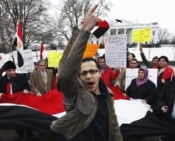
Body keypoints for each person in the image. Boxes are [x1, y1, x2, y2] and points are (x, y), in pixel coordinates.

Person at [50, 5, 123, 141]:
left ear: (99, 73)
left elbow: (113, 126)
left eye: (93, 71)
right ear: (78, 77)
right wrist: (83, 31)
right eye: (84, 73)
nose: (89, 76)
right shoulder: (75, 94)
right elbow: (65, 72)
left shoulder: (108, 95)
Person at [0, 61, 32, 140]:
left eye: (13, 70)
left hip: (21, 103)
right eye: (10, 70)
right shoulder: (0, 82)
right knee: (16, 120)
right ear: (6, 71)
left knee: (26, 118)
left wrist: (26, 89)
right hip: (10, 105)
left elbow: (27, 86)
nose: (12, 72)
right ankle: (20, 133)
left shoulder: (21, 78)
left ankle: (30, 133)